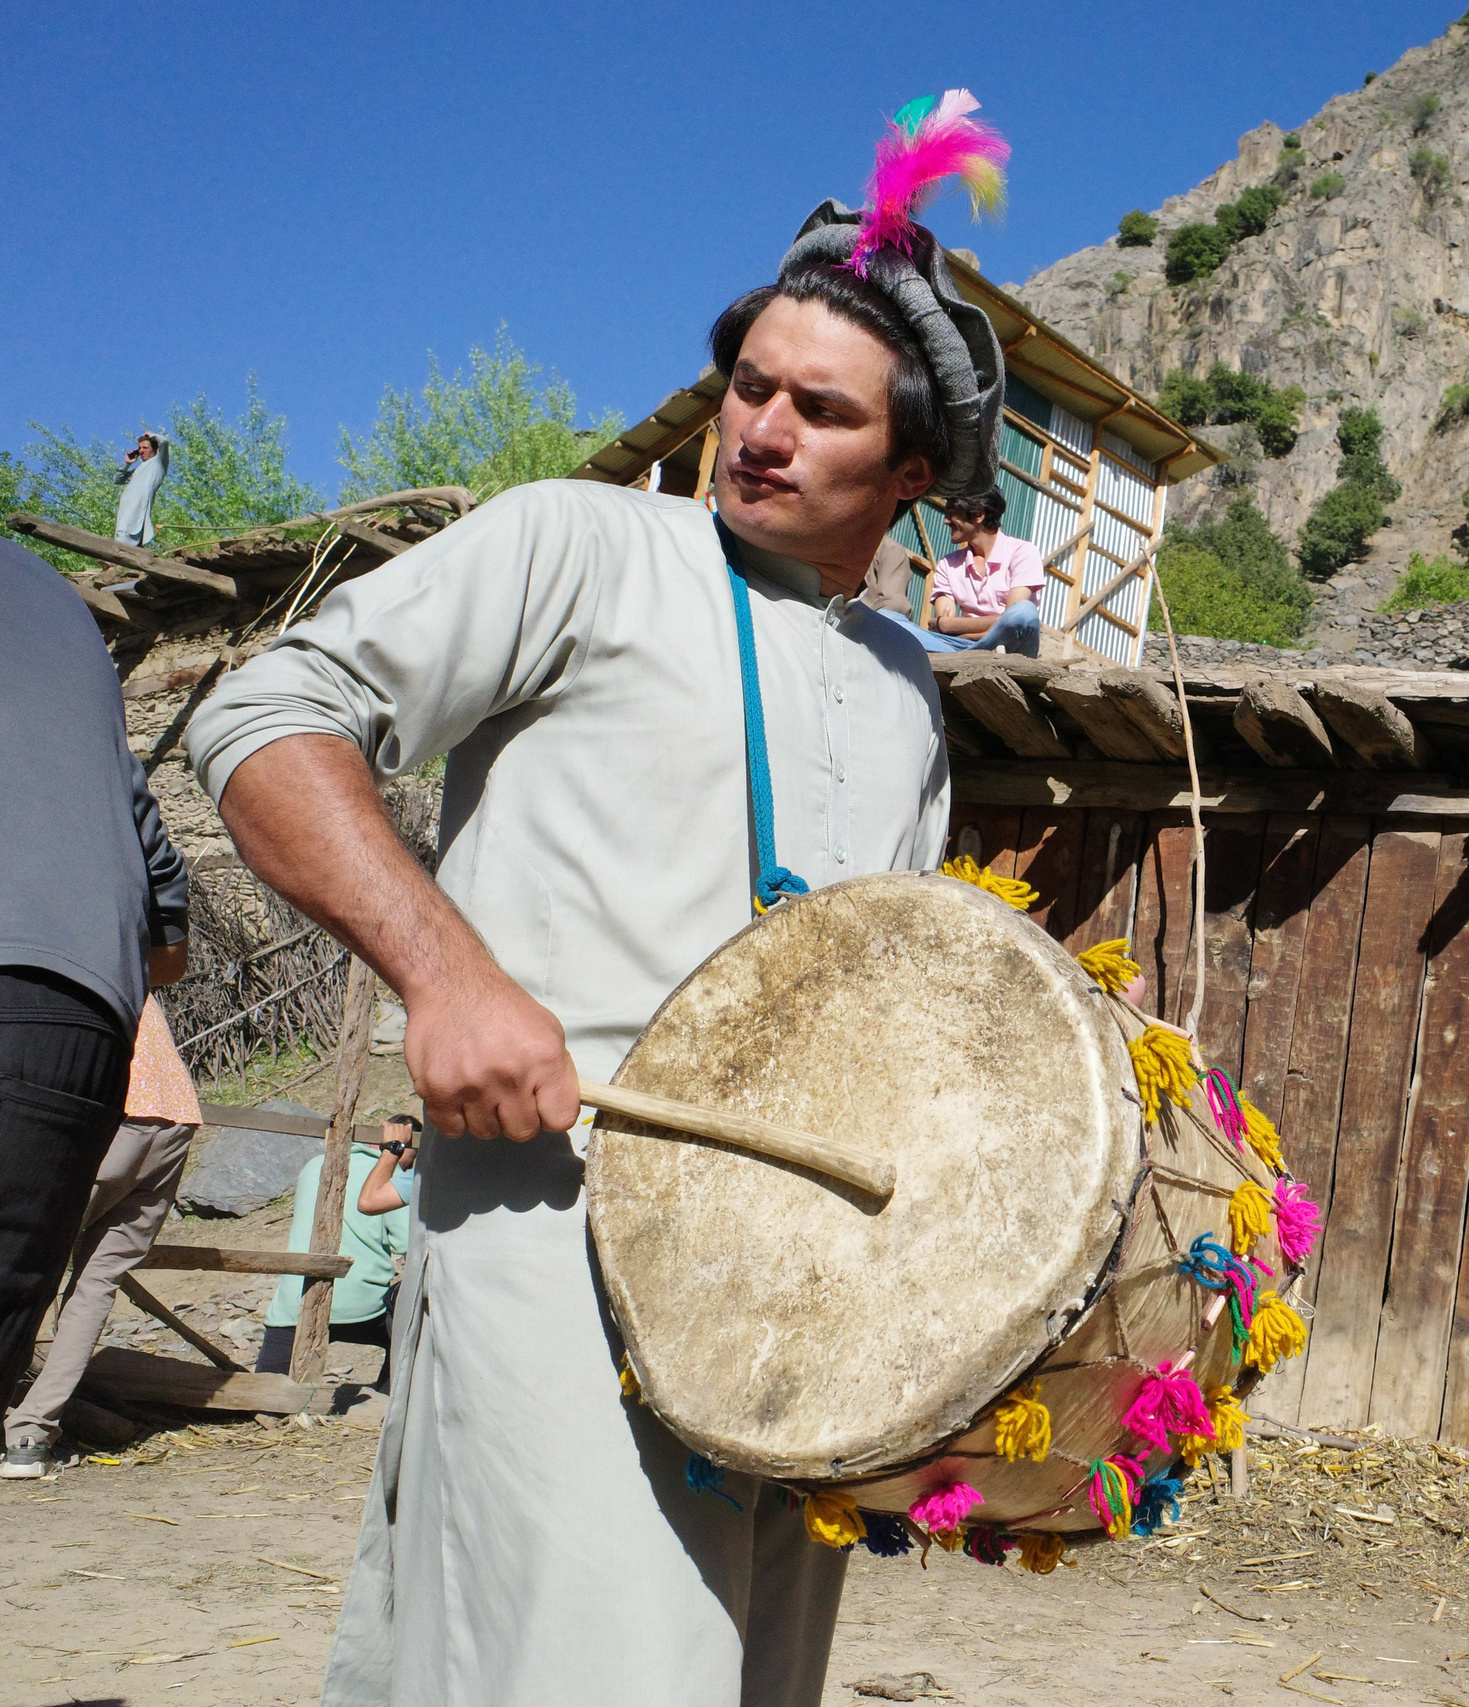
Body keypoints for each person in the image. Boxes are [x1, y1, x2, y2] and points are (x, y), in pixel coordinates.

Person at [186, 93, 1001, 1707]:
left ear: (909, 466)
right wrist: (449, 978)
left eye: (818, 411)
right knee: (575, 1661)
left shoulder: (909, 685)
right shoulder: (582, 542)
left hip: (790, 1284)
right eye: (748, 387)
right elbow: (261, 718)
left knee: (742, 1668)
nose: (761, 429)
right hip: (551, 1228)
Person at [0, 537, 190, 1418]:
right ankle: (35, 1420)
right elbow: (164, 915)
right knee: (89, 1276)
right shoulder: (63, 614)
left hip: (124, 1100)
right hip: (78, 1032)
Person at [2, 990, 198, 1477]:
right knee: (94, 1284)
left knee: (24, 1260)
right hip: (174, 1117)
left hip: (110, 1119)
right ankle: (31, 1435)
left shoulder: (43, 973)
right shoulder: (119, 961)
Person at [252, 1116, 416, 1382]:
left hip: (296, 1301)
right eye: (412, 1157)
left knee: (265, 1386)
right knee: (410, 1327)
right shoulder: (393, 1175)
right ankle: (390, 1392)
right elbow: (407, 1243)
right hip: (363, 1303)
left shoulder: (316, 1164)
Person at [882, 488, 1044, 655]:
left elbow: (1012, 619)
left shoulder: (1023, 552)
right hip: (959, 645)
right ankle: (975, 652)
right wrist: (949, 627)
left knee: (1025, 612)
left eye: (953, 513)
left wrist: (951, 626)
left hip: (1009, 644)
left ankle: (976, 650)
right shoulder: (948, 564)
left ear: (979, 515)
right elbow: (942, 628)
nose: (946, 521)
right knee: (887, 619)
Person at [114, 431, 170, 549]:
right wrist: (127, 463)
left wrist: (151, 435)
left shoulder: (158, 463)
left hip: (138, 507)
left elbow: (164, 442)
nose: (141, 451)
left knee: (127, 533)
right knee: (124, 532)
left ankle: (117, 557)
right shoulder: (138, 469)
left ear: (154, 450)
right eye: (139, 448)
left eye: (145, 447)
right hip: (127, 508)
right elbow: (117, 479)